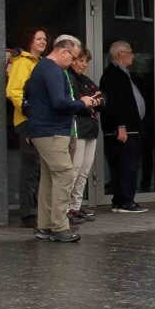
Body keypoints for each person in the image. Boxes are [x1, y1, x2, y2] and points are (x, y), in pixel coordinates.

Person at [22, 34, 99, 242]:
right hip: (52, 131)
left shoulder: (41, 68)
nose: (73, 62)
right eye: (73, 57)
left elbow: (28, 98)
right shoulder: (54, 70)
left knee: (49, 178)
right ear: (63, 52)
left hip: (43, 130)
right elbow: (59, 102)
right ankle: (59, 227)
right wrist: (83, 103)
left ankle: (45, 226)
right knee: (64, 174)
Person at [98, 41, 149, 214]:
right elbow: (115, 103)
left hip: (130, 128)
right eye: (130, 52)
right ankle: (125, 201)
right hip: (123, 129)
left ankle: (121, 200)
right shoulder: (113, 75)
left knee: (126, 165)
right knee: (126, 165)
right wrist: (120, 126)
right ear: (120, 55)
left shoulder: (124, 73)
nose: (133, 55)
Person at [6, 26, 47, 226]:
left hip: (40, 122)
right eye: (38, 38)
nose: (43, 41)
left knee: (39, 169)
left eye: (45, 39)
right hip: (28, 122)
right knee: (31, 169)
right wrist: (29, 113)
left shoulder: (41, 63)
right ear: (29, 40)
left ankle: (39, 211)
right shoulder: (22, 62)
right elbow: (15, 91)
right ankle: (28, 214)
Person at [65, 46, 103, 224]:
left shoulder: (86, 80)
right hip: (77, 129)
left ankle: (76, 206)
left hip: (91, 129)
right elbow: (77, 102)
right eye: (80, 60)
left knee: (84, 171)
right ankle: (65, 209)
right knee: (74, 170)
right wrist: (89, 102)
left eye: (86, 61)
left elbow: (102, 98)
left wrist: (94, 101)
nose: (83, 64)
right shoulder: (68, 78)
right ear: (72, 60)